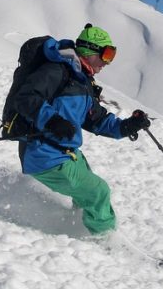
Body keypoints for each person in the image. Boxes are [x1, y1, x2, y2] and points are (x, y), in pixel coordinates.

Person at [10, 24, 150, 235]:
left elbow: (97, 119)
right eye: (106, 54)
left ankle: (77, 226)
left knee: (86, 192)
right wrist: (52, 121)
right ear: (89, 50)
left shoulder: (81, 81)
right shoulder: (56, 71)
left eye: (111, 55)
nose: (107, 62)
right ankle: (104, 240)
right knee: (98, 191)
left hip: (67, 153)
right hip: (44, 153)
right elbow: (27, 98)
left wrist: (127, 125)